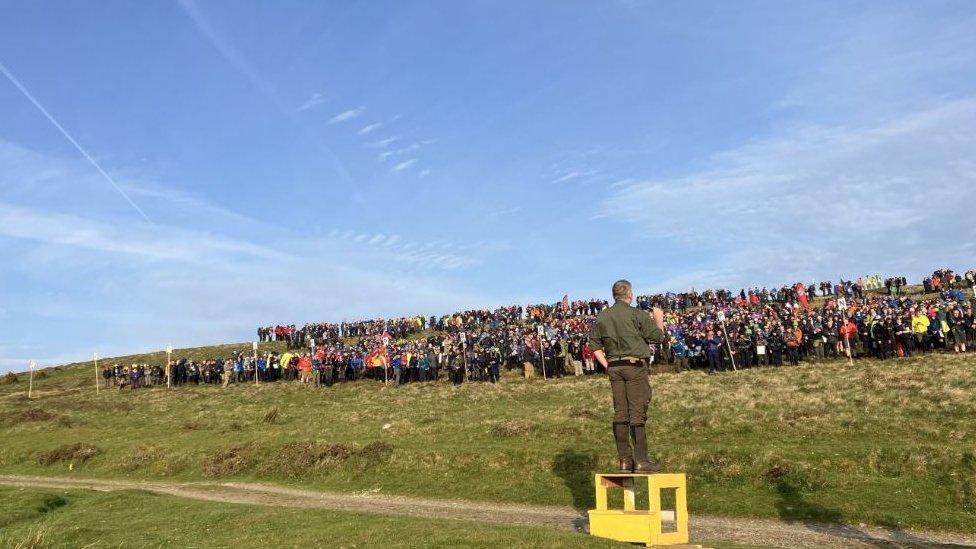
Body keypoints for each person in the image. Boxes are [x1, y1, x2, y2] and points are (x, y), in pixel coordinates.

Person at [588, 279, 666, 473]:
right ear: (629, 294)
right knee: (637, 413)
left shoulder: (602, 317)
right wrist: (659, 319)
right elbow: (658, 337)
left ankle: (625, 460)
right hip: (634, 367)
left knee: (620, 413)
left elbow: (595, 347)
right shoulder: (636, 314)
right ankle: (641, 461)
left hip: (614, 367)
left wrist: (608, 365)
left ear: (614, 295)